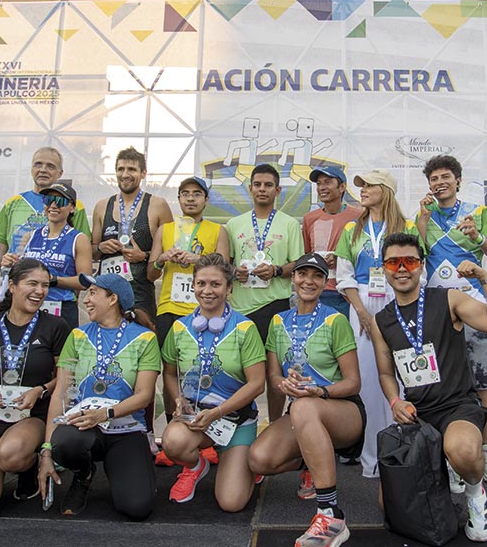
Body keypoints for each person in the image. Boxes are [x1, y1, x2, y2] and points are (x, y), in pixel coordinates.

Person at [371, 233, 487, 543]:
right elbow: (385, 373)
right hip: (417, 416)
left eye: (410, 261)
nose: (402, 268)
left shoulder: (449, 298)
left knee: (461, 450)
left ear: (422, 265)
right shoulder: (381, 320)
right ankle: (444, 491)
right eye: (393, 262)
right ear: (384, 268)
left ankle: (475, 496)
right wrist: (395, 402)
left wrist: (485, 279)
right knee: (388, 503)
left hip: (456, 406)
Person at [248, 253, 364, 547]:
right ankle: (312, 460)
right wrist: (282, 385)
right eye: (302, 274)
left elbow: (353, 382)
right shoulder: (278, 321)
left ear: (325, 283)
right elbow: (273, 376)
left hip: (343, 410)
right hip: (302, 412)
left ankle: (330, 514)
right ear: (293, 278)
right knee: (259, 459)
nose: (308, 281)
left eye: (317, 276)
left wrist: (320, 391)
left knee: (302, 407)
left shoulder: (335, 320)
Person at [39, 273, 161, 519]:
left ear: (113, 299)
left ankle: (131, 469)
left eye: (93, 293)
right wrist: (47, 451)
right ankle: (83, 474)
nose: (86, 300)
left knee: (137, 508)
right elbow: (61, 393)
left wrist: (104, 414)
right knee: (64, 441)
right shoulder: (77, 336)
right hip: (84, 427)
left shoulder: (144, 338)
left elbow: (144, 396)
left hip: (126, 428)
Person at [417, 155, 487, 485]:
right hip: (438, 312)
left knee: (482, 382)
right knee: (441, 385)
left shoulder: (477, 212)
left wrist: (477, 237)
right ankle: (450, 456)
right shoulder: (424, 214)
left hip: (474, 308)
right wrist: (423, 219)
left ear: (457, 180)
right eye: (434, 178)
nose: (439, 182)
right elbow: (417, 255)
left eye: (445, 177)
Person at [0, 258, 69, 520]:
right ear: (12, 286)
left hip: (31, 415)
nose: (39, 291)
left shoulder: (56, 326)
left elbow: (64, 379)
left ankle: (27, 465)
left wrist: (40, 389)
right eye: (32, 283)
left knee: (10, 454)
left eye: (45, 285)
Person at [160, 253, 266, 511]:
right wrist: (178, 399)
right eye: (201, 283)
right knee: (173, 442)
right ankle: (196, 466)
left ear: (229, 288)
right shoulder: (179, 328)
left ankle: (244, 462)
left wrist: (217, 412)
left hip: (236, 420)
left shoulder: (245, 328)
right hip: (197, 419)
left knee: (231, 503)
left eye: (215, 284)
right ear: (193, 286)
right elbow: (170, 373)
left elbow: (257, 384)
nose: (207, 291)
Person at [335, 169, 419, 478]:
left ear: (386, 190)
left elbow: (417, 271)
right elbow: (344, 276)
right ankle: (372, 458)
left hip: (399, 300)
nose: (363, 190)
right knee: (369, 381)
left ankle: (408, 453)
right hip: (362, 303)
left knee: (405, 378)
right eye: (362, 185)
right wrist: (361, 313)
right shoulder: (351, 229)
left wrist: (402, 308)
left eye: (370, 185)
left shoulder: (407, 227)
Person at [148, 175, 229, 463]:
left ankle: (208, 438)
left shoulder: (217, 230)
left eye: (197, 193)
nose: (191, 198)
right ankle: (175, 432)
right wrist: (163, 258)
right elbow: (151, 273)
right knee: (170, 370)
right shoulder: (166, 230)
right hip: (170, 307)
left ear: (206, 199)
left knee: (207, 367)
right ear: (179, 198)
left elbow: (225, 268)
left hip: (204, 310)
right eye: (185, 193)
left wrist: (199, 261)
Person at [226, 162, 304, 421]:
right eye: (257, 184)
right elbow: (225, 263)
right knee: (238, 370)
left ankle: (274, 424)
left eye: (268, 185)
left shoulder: (290, 224)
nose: (262, 189)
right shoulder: (233, 224)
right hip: (241, 308)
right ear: (250, 189)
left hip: (275, 306)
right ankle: (239, 422)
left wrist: (276, 270)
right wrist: (234, 272)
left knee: (274, 373)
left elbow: (298, 264)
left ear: (277, 190)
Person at [0, 147, 91, 313]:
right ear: (31, 168)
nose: (43, 170)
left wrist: (68, 299)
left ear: (60, 173)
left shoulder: (77, 207)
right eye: (38, 164)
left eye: (50, 166)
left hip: (59, 301)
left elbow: (80, 263)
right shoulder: (14, 202)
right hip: (18, 295)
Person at [92, 146, 172, 322]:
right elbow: (92, 252)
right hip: (106, 292)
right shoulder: (102, 206)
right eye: (120, 169)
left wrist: (143, 256)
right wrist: (101, 247)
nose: (125, 174)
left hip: (140, 293)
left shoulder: (158, 205)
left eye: (132, 169)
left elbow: (169, 253)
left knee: (141, 336)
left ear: (143, 173)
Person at [0, 183, 93, 328]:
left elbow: (85, 281)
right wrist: (8, 263)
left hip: (61, 305)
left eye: (60, 202)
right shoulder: (29, 236)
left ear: (72, 208)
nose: (53, 206)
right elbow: (20, 270)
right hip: (31, 303)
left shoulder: (79, 239)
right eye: (48, 200)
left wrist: (53, 280)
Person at [302, 166, 363, 318]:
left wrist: (341, 258)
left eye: (327, 182)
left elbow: (364, 253)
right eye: (319, 183)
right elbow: (306, 254)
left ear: (342, 187)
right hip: (318, 290)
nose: (322, 187)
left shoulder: (359, 217)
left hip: (348, 292)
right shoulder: (309, 218)